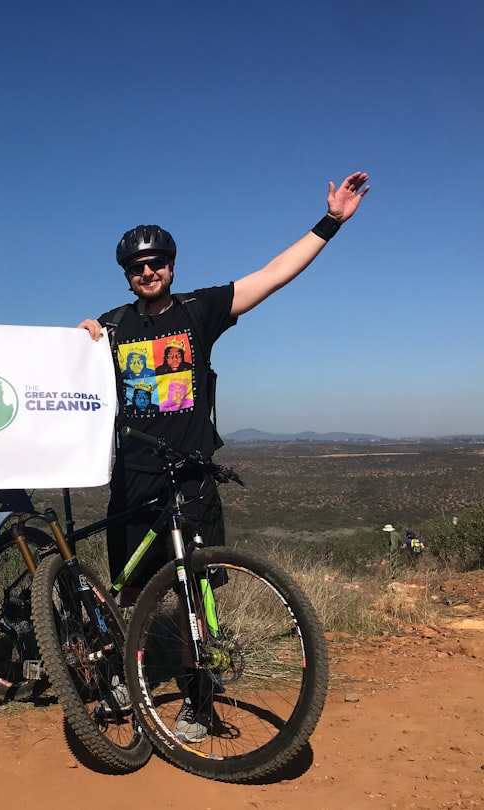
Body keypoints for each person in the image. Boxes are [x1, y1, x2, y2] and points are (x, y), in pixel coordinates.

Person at [79, 171, 370, 742]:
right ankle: (120, 674)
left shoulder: (200, 310)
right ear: (126, 274)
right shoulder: (111, 327)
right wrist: (81, 334)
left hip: (189, 477)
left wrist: (330, 223)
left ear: (171, 265)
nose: (147, 272)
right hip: (132, 479)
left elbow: (272, 276)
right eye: (137, 267)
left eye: (156, 262)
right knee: (132, 589)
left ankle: (197, 701)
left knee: (196, 593)